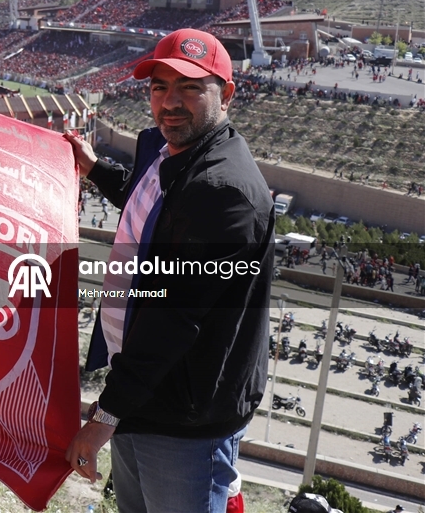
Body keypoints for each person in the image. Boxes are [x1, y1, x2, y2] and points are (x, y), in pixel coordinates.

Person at [63, 29, 274, 512]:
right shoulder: (169, 150)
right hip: (143, 394)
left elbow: (175, 319)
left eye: (190, 87)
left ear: (227, 94)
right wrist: (95, 168)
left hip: (184, 417)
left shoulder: (225, 191)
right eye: (160, 87)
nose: (171, 102)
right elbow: (152, 201)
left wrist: (104, 416)